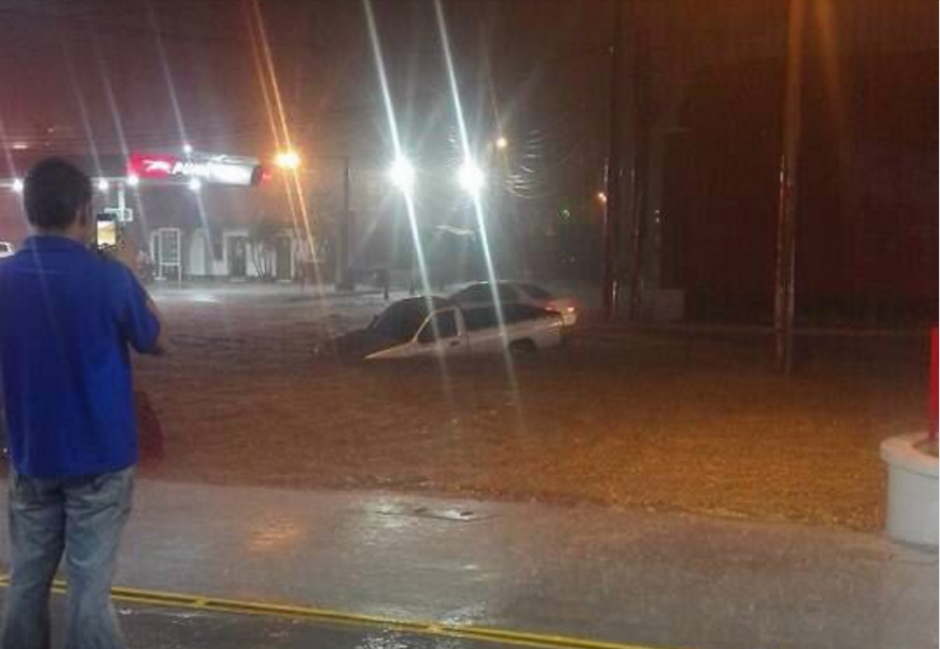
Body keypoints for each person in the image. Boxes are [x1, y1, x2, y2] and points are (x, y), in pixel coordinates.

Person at [0, 158, 166, 649]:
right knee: (88, 591)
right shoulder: (108, 277)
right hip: (101, 459)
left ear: (30, 211)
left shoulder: (3, 279)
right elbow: (157, 338)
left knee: (27, 583)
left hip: (32, 457)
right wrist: (129, 272)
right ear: (86, 211)